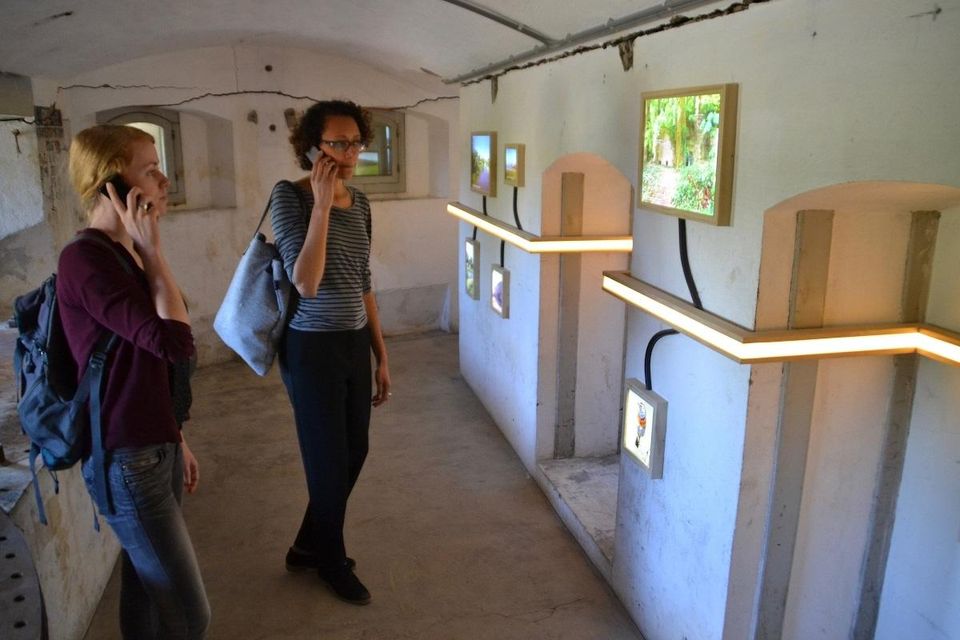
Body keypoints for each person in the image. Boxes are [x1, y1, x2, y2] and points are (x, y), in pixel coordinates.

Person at [59, 124, 210, 639]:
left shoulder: (122, 252)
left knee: (147, 590)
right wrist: (153, 252)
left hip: (154, 442)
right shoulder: (86, 260)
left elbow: (155, 366)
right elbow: (175, 343)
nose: (164, 181)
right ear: (113, 187)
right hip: (128, 456)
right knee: (190, 616)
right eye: (150, 170)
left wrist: (177, 435)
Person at [271, 100, 392, 605]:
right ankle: (330, 559)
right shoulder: (289, 197)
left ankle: (306, 545)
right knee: (327, 460)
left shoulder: (360, 202)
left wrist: (381, 354)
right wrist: (320, 205)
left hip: (353, 341)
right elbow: (306, 281)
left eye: (355, 143)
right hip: (311, 348)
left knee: (354, 451)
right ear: (312, 148)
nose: (349, 154)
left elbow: (363, 281)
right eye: (337, 143)